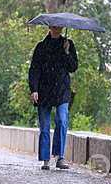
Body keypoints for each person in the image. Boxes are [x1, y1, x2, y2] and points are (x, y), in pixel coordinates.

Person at [28, 26, 78, 170]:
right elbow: (34, 69)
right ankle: (45, 159)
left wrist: (67, 52)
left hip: (62, 90)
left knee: (62, 121)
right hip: (44, 91)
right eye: (54, 26)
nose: (57, 29)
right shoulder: (41, 46)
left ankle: (60, 157)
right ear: (50, 27)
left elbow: (73, 67)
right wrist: (34, 89)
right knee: (44, 127)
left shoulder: (68, 44)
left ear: (62, 27)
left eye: (59, 27)